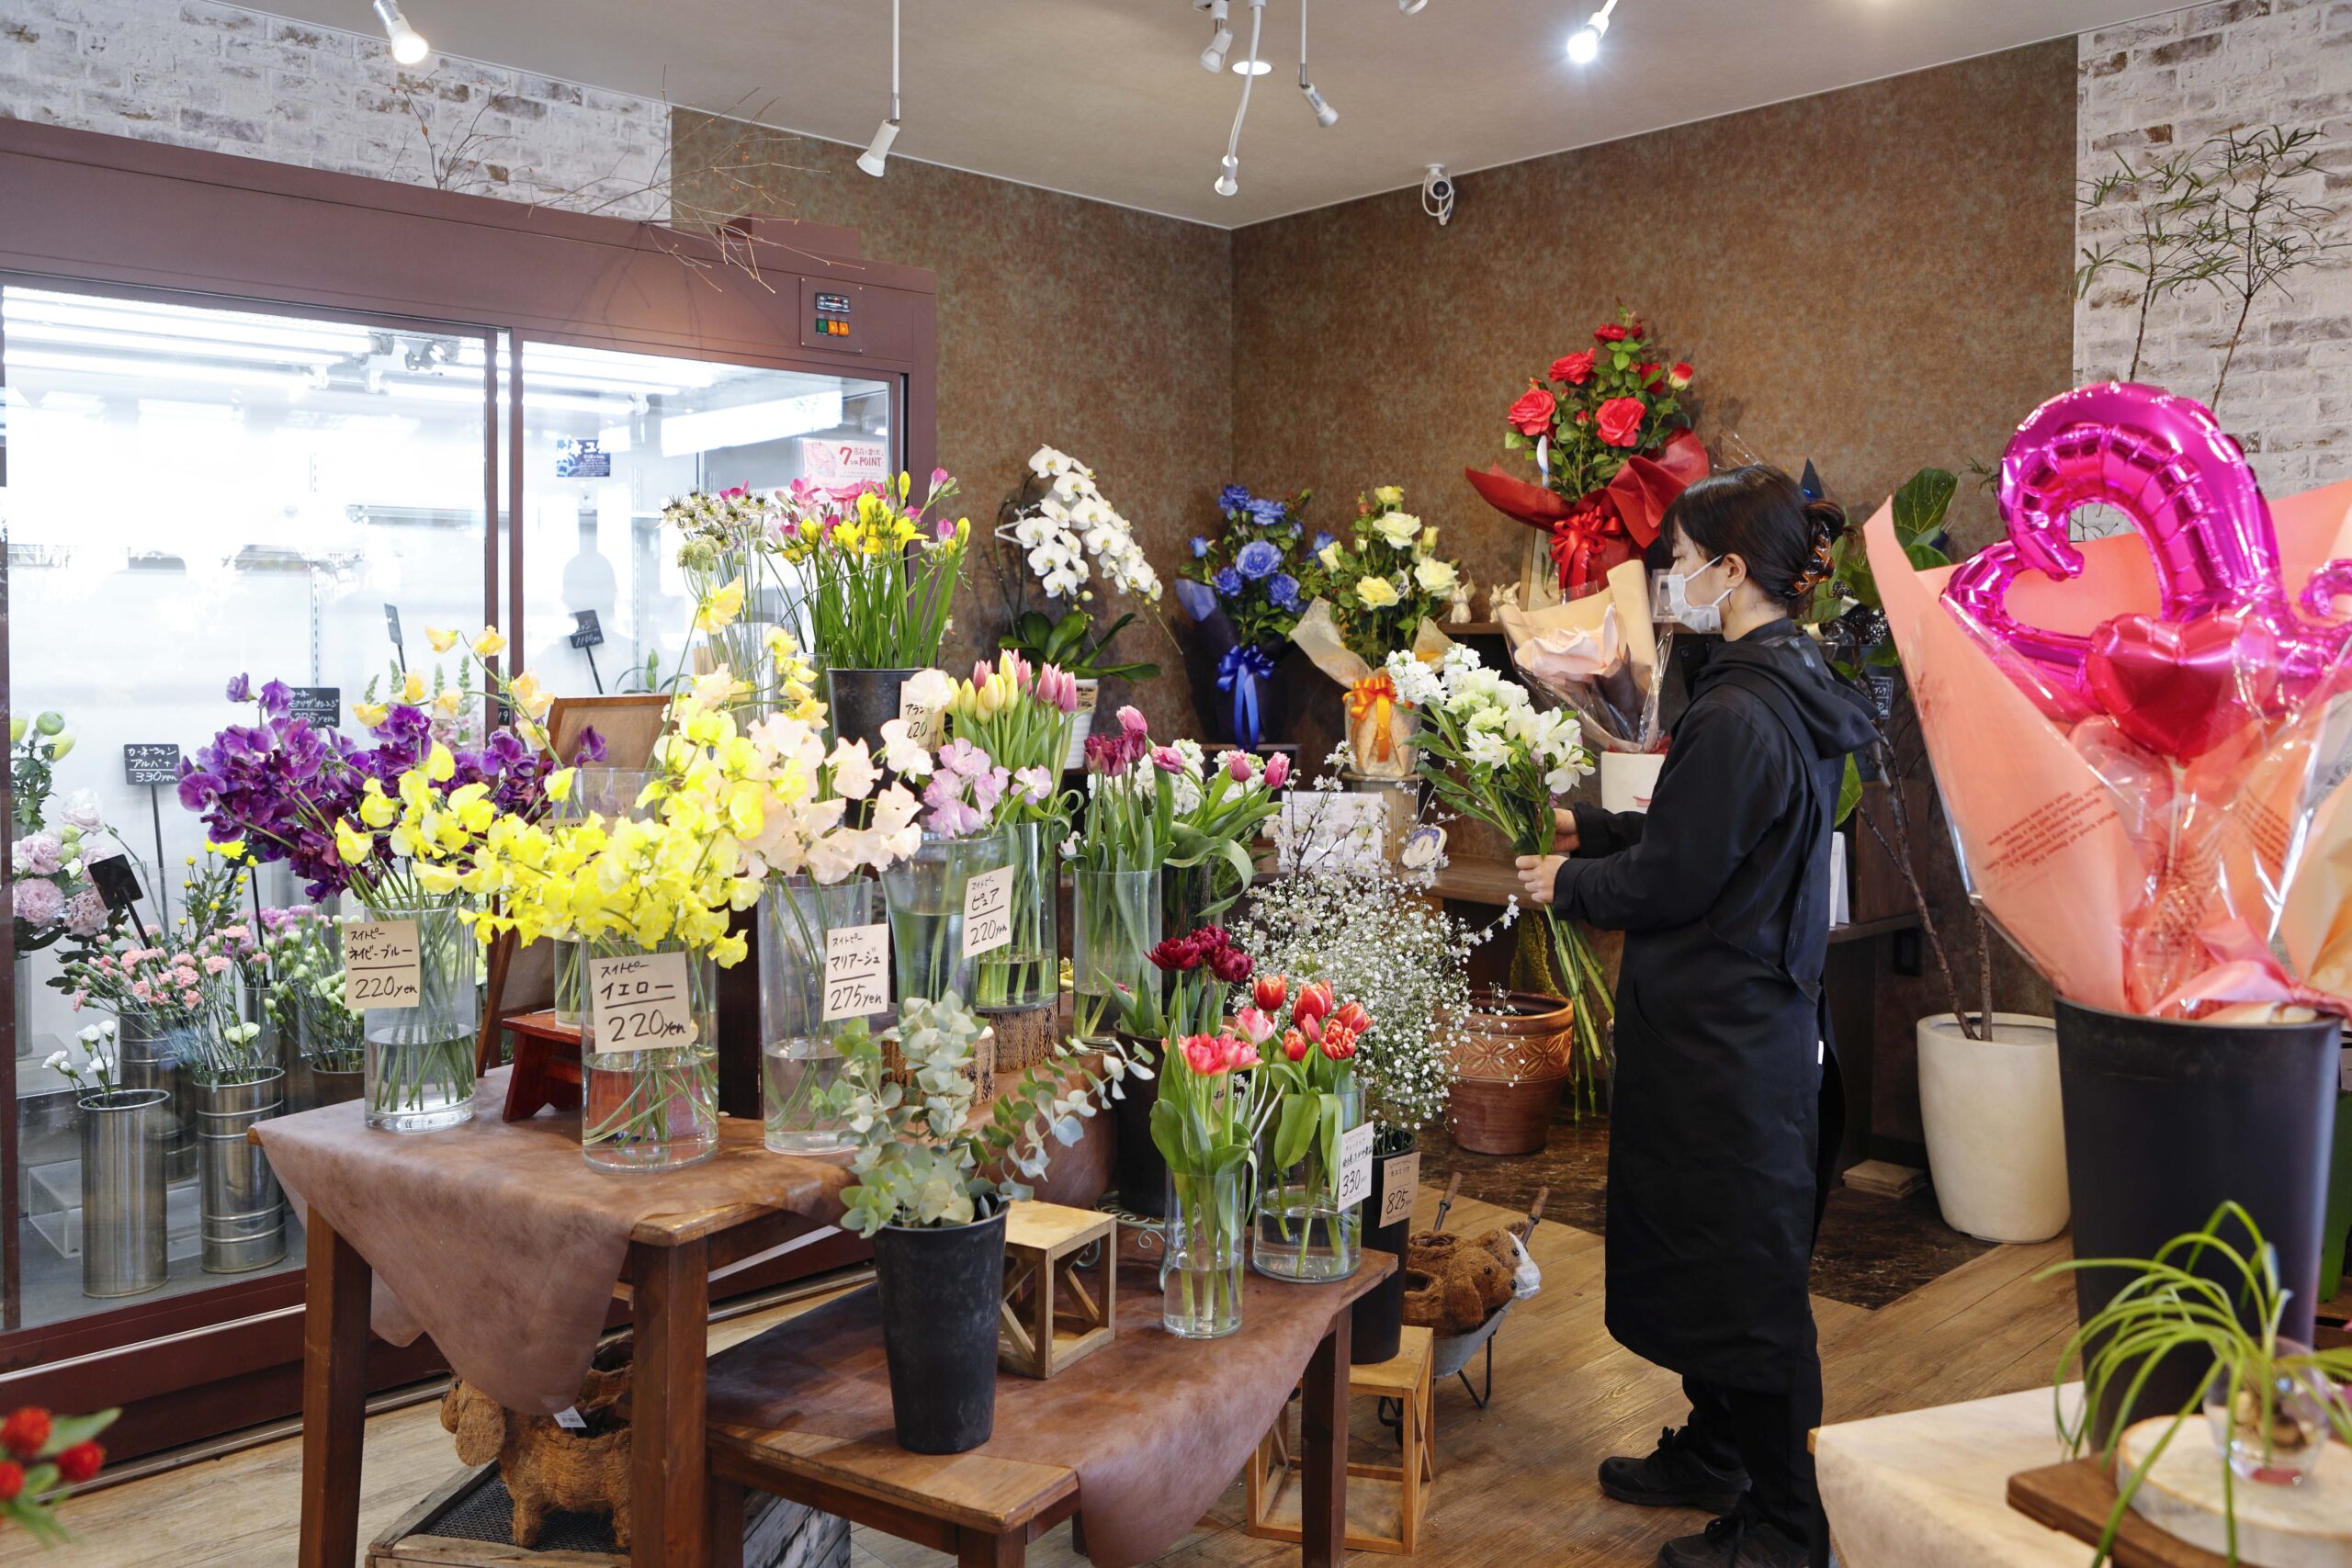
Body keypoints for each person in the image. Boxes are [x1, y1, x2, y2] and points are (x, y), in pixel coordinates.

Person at [1515, 466, 1879, 1568]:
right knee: (1718, 1260)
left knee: (1745, 1282)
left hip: (1723, 1039)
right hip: (1755, 1021)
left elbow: (1677, 880)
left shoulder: (1733, 710)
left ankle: (1785, 1525)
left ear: (1729, 569)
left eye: (1674, 562)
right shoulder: (1790, 682)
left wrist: (1569, 883)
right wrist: (1596, 829)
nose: (1665, 582)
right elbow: (1713, 836)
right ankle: (1719, 1449)